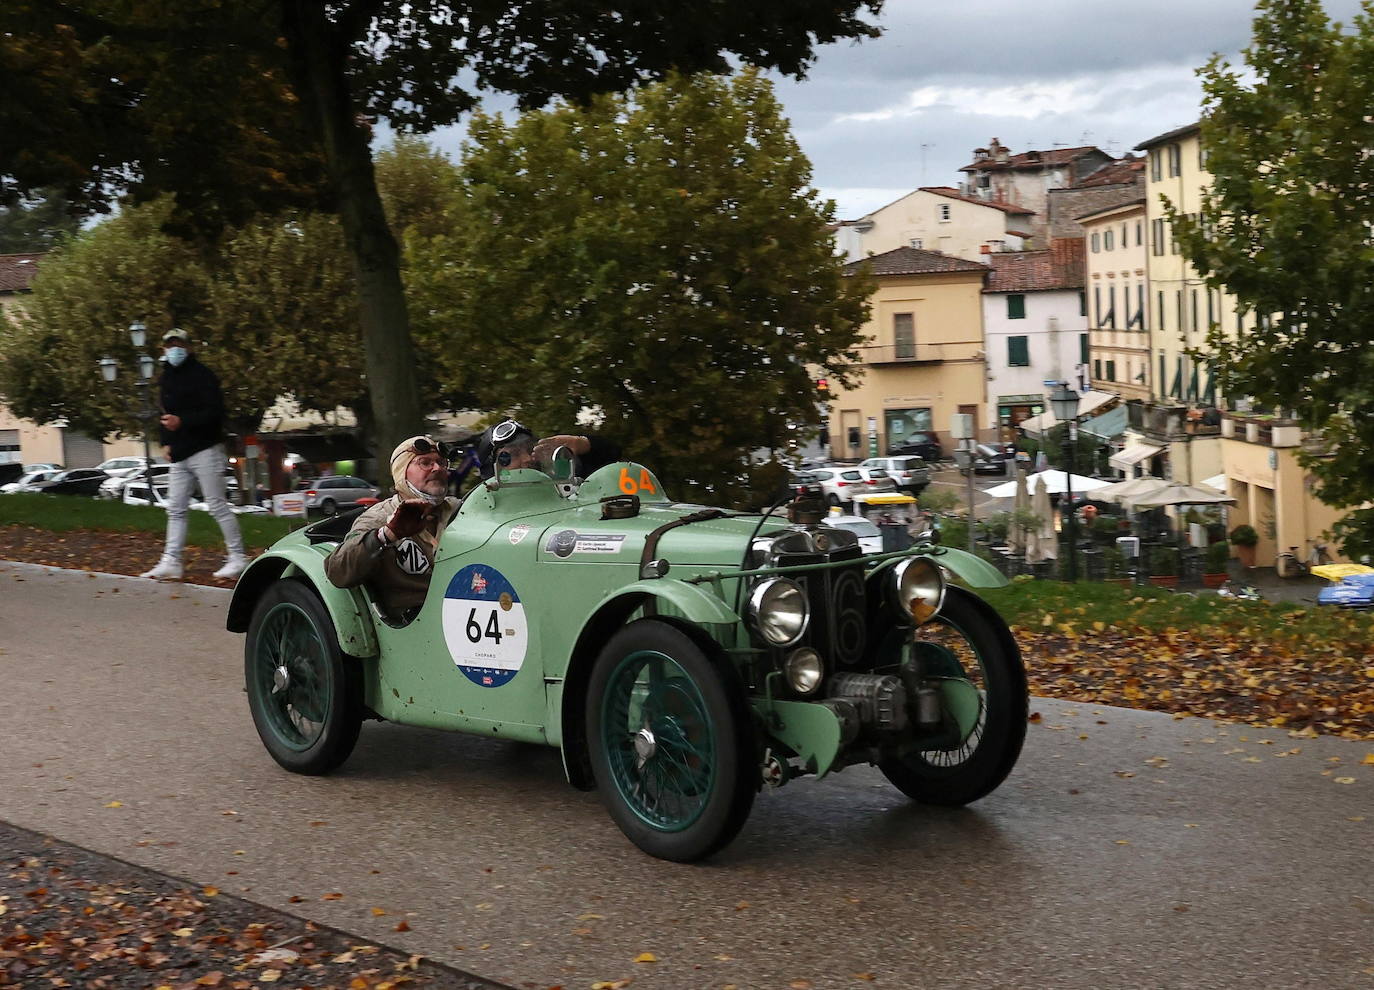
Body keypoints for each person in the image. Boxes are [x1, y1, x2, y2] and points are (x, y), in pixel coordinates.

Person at [325, 422, 618, 621]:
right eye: (425, 463)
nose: (438, 468)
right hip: (420, 621)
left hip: (481, 614)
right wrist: (388, 534)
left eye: (441, 463)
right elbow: (337, 570)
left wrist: (582, 444)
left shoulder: (463, 509)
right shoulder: (377, 518)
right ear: (401, 472)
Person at [139, 330, 249, 582]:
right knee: (175, 508)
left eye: (178, 345)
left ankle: (237, 557)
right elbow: (165, 414)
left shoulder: (203, 375)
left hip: (205, 449)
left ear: (189, 347)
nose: (174, 350)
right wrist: (166, 442)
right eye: (169, 345)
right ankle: (171, 560)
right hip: (180, 452)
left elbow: (214, 413)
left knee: (217, 504)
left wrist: (183, 422)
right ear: (163, 349)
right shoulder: (166, 377)